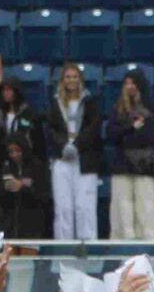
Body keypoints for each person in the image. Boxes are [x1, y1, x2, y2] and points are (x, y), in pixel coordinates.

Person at [35, 62, 103, 244]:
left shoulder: (90, 102)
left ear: (80, 80)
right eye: (68, 77)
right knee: (63, 208)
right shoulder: (55, 103)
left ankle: (88, 251)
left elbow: (93, 128)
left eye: (74, 77)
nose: (71, 80)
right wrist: (64, 145)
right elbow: (49, 130)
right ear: (62, 80)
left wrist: (77, 145)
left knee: (84, 207)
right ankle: (64, 252)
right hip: (62, 159)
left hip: (84, 160)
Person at [104, 69, 154, 241]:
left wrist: (126, 135)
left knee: (146, 208)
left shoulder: (150, 108)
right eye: (126, 83)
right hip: (122, 164)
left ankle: (148, 249)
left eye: (133, 83)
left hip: (145, 164)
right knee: (122, 208)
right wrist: (131, 128)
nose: (129, 87)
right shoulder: (118, 108)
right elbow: (111, 134)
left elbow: (149, 137)